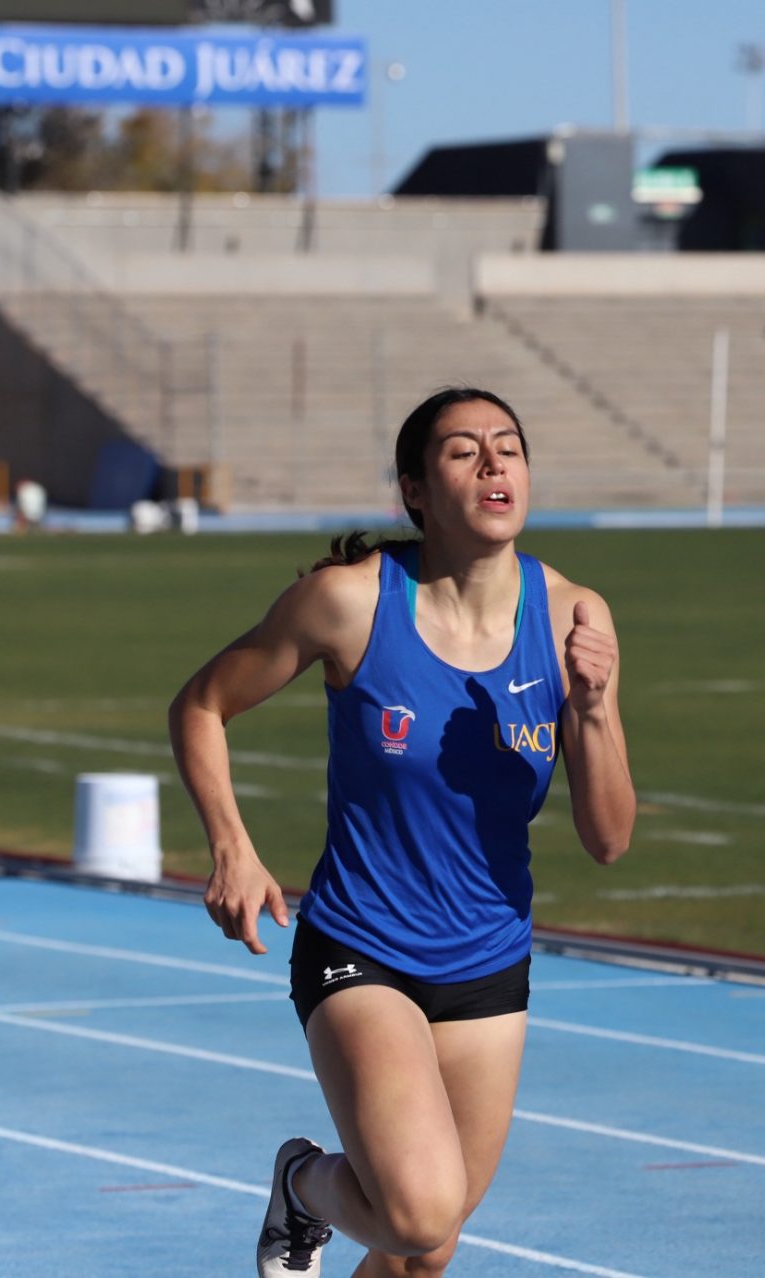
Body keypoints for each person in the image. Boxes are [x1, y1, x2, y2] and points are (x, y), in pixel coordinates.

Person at [169, 387, 636, 1277]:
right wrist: (232, 847)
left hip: (488, 957)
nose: (494, 464)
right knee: (418, 1212)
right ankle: (302, 1183)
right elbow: (199, 706)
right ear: (415, 490)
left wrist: (593, 708)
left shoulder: (574, 616)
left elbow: (608, 839)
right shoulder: (350, 603)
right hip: (363, 945)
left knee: (424, 1250)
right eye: (464, 451)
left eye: (509, 447)